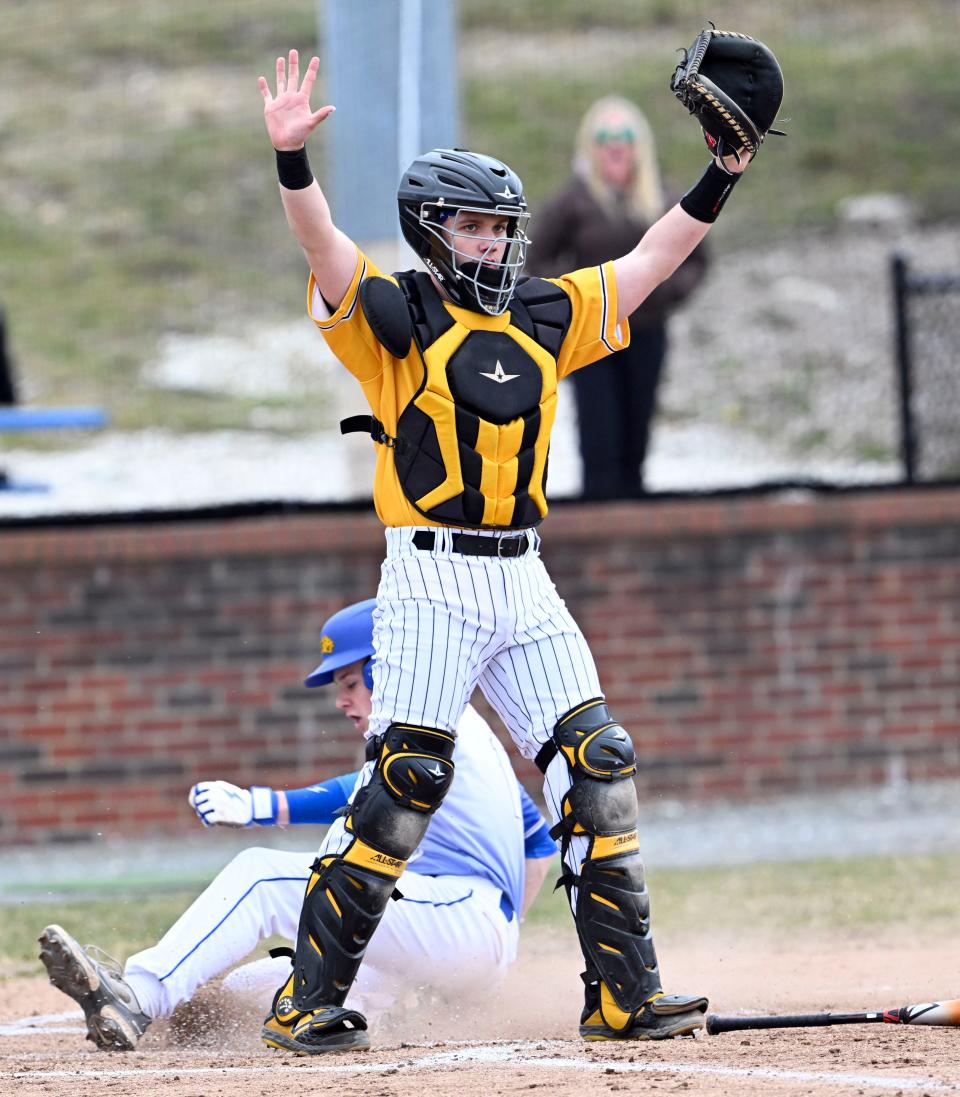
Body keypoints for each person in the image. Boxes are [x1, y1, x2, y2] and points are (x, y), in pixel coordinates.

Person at [256, 47, 752, 1054]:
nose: (495, 242)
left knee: (597, 760)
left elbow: (653, 258)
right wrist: (292, 162)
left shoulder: (541, 312)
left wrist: (721, 172)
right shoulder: (396, 313)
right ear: (434, 233)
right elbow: (325, 252)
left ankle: (622, 993)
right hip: (431, 573)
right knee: (406, 779)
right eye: (477, 226)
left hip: (523, 571)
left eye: (502, 227)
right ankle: (306, 998)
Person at [38, 599, 557, 1053]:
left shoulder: (436, 724)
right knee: (237, 993)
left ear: (390, 667)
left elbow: (364, 791)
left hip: (459, 915)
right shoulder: (460, 726)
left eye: (351, 681)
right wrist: (489, 956)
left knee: (262, 875)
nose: (341, 699)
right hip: (451, 931)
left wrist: (260, 804)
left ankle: (140, 996)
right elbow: (536, 843)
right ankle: (383, 1010)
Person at [526, 96, 708, 499]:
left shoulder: (661, 196)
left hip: (646, 330)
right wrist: (579, 296)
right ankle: (598, 514)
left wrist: (665, 292)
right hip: (592, 337)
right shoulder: (573, 199)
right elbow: (534, 261)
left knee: (637, 426)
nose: (615, 144)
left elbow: (697, 257)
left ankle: (634, 513)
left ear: (638, 144)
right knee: (598, 432)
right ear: (591, 145)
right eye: (604, 136)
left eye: (624, 135)